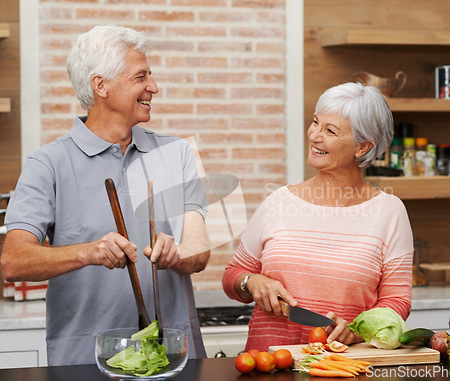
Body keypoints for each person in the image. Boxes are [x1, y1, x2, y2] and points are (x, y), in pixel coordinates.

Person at [0, 25, 210, 365]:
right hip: (86, 360)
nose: (153, 87)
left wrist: (176, 252)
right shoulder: (48, 164)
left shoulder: (177, 153)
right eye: (140, 76)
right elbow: (13, 261)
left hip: (173, 356)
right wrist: (89, 252)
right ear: (101, 86)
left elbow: (199, 253)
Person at [222, 82, 413, 352]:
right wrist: (252, 281)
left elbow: (398, 300)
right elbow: (232, 276)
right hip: (269, 366)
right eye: (315, 123)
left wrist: (358, 329)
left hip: (344, 365)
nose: (314, 136)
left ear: (362, 147)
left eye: (330, 130)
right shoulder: (278, 202)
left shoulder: (389, 212)